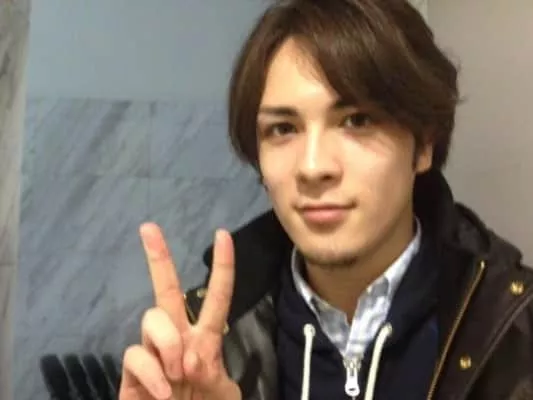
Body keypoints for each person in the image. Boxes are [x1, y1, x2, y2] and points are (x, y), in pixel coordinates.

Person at [40, 0, 533, 399]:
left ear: (423, 145)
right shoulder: (213, 342)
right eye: (282, 129)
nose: (313, 167)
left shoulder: (514, 332)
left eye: (357, 120)